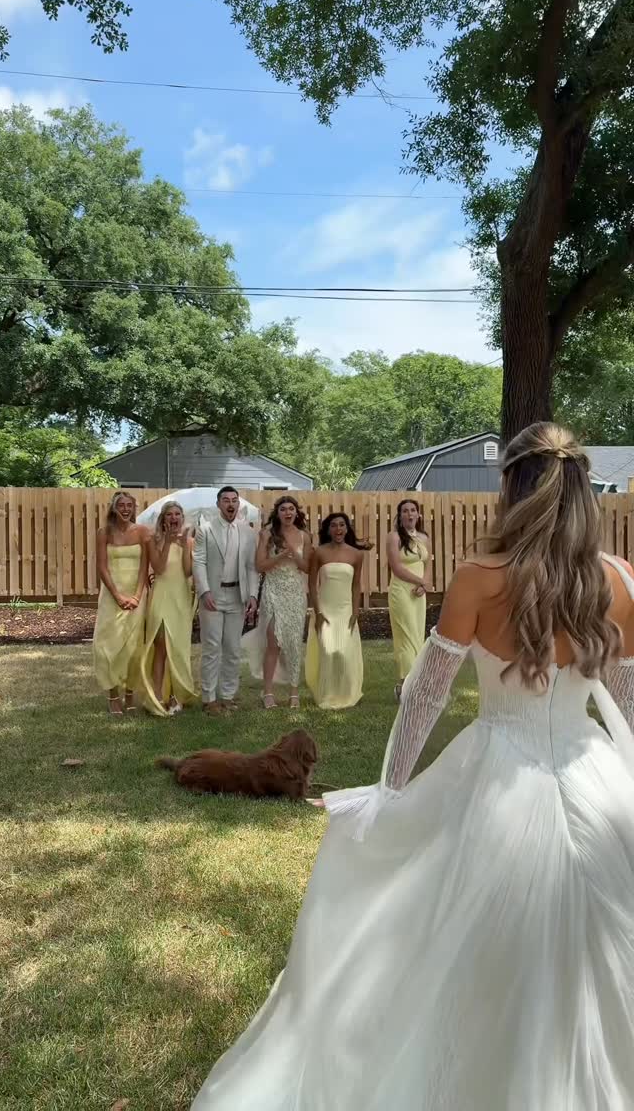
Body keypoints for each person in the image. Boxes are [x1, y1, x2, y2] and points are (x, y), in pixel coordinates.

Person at [190, 423, 634, 1111]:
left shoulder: (481, 578)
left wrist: (390, 790)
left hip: (499, 774)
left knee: (472, 932)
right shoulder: (619, 579)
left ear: (512, 488)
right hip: (597, 777)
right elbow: (628, 700)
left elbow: (425, 695)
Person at [192, 487, 259, 715]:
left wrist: (252, 595)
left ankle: (228, 696)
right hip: (212, 596)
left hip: (237, 596)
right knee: (211, 647)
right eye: (226, 500)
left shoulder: (247, 532)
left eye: (234, 500)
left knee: (232, 648)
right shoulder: (205, 529)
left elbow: (251, 566)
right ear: (218, 504)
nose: (231, 504)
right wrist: (204, 591)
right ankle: (209, 698)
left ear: (238, 504)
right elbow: (199, 562)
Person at [244, 495, 311, 709]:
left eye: (291, 509)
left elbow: (307, 567)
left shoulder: (304, 536)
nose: (288, 513)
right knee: (273, 641)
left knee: (293, 643)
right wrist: (281, 556)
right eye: (283, 509)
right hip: (273, 591)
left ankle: (294, 692)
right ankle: (268, 692)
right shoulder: (267, 534)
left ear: (296, 512)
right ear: (278, 513)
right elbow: (260, 566)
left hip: (295, 593)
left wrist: (293, 554)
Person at [93, 491, 148, 716]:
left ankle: (130, 694)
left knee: (134, 648)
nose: (126, 509)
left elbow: (145, 567)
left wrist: (137, 596)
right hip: (111, 594)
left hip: (137, 596)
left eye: (129, 505)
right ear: (114, 508)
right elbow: (102, 567)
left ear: (134, 508)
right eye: (121, 505)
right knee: (107, 646)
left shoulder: (142, 532)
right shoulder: (104, 532)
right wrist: (117, 595)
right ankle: (113, 695)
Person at [140, 501, 198, 717]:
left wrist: (184, 545)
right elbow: (159, 568)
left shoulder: (189, 541)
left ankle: (175, 695)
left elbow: (187, 571)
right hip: (161, 597)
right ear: (163, 519)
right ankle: (156, 695)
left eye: (177, 514)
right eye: (169, 514)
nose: (174, 518)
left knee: (178, 648)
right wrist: (167, 542)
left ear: (182, 518)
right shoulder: (153, 540)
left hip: (181, 598)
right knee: (161, 647)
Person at [305, 512, 366, 709]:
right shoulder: (319, 552)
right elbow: (312, 584)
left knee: (345, 653)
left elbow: (356, 585)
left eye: (342, 525)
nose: (338, 529)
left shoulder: (357, 554)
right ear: (328, 530)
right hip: (325, 609)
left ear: (347, 529)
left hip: (346, 609)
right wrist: (318, 613)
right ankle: (328, 694)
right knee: (329, 651)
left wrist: (355, 612)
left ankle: (347, 693)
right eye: (333, 525)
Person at [387, 499, 432, 701]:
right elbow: (397, 568)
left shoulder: (424, 538)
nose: (410, 514)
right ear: (400, 516)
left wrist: (424, 585)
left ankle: (411, 685)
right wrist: (420, 581)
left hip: (419, 594)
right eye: (405, 511)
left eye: (413, 510)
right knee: (405, 636)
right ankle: (406, 685)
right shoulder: (394, 537)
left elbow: (428, 564)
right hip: (402, 592)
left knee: (417, 636)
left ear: (418, 514)